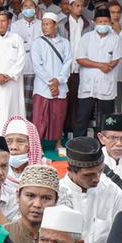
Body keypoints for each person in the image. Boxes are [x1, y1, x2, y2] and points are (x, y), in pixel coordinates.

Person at [56, 136, 122, 243]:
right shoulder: (55, 194)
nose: (96, 179)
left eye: (100, 172)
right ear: (70, 171)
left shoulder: (112, 192)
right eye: (88, 175)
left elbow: (120, 239)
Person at [73, 7, 122, 137]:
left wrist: (109, 66)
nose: (103, 24)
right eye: (100, 22)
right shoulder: (86, 37)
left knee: (107, 119)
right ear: (94, 22)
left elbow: (116, 59)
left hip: (106, 83)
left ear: (110, 23)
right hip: (88, 84)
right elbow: (80, 59)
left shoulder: (115, 38)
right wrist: (100, 65)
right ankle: (80, 144)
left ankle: (104, 147)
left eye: (106, 22)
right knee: (82, 117)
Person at [30, 11, 73, 151]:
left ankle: (58, 143)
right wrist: (51, 82)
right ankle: (38, 145)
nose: (44, 27)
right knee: (40, 118)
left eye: (48, 24)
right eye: (43, 24)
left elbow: (68, 63)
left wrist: (58, 80)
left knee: (58, 116)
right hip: (42, 87)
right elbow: (37, 65)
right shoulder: (37, 43)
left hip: (60, 86)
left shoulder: (65, 43)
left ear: (55, 26)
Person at [4, 164, 59, 243]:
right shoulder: (1, 235)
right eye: (30, 196)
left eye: (46, 198)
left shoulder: (66, 237)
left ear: (56, 201)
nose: (37, 204)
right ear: (18, 196)